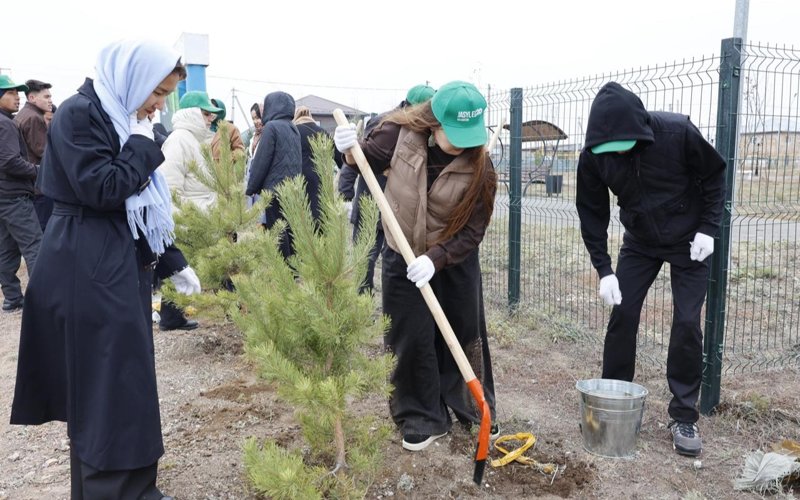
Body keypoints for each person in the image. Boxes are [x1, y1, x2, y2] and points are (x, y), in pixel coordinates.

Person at [10, 39, 201, 500]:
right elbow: (104, 188)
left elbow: (141, 206)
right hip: (86, 260)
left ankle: (137, 487)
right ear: (132, 77)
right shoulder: (81, 113)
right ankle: (112, 492)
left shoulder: (118, 115)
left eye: (166, 95)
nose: (159, 106)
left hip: (114, 257)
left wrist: (172, 259)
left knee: (126, 380)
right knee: (105, 384)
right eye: (157, 92)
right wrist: (139, 144)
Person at [333, 80, 498, 451]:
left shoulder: (482, 167)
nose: (461, 144)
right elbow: (363, 159)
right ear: (432, 122)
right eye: (452, 134)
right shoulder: (397, 133)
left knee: (463, 331)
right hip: (401, 251)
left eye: (467, 135)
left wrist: (436, 258)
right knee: (410, 334)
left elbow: (473, 231)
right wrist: (346, 149)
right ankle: (422, 415)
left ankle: (474, 408)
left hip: (453, 259)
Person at [575, 81, 726, 457]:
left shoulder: (677, 133)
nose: (614, 155)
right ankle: (612, 401)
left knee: (688, 321)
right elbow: (592, 214)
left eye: (620, 146)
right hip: (641, 241)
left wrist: (708, 228)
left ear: (638, 130)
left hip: (691, 241)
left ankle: (683, 414)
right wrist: (604, 269)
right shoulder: (594, 156)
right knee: (622, 313)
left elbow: (714, 175)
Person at [338, 83, 435, 294]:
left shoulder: (423, 129)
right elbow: (358, 156)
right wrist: (345, 192)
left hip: (398, 206)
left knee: (392, 256)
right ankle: (360, 302)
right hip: (371, 200)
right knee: (365, 256)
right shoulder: (386, 124)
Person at [156, 90, 221, 331]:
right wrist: (179, 218)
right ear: (192, 113)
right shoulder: (179, 140)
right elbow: (170, 185)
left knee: (185, 269)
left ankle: (176, 314)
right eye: (205, 114)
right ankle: (170, 318)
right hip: (185, 218)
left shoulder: (195, 140)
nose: (209, 119)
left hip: (197, 217)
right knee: (177, 269)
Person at [0, 75, 42, 312]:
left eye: (17, 93)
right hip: (14, 196)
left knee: (6, 250)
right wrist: (38, 171)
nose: (17, 97)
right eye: (11, 93)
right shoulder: (5, 123)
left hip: (3, 197)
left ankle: (12, 299)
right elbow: (9, 161)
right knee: (35, 246)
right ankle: (41, 300)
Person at [245, 91, 301, 260]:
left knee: (276, 230)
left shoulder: (272, 127)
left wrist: (251, 188)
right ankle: (292, 268)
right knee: (288, 228)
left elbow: (262, 161)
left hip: (274, 190)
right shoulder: (293, 129)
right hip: (291, 189)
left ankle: (280, 270)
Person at [15, 79, 55, 230]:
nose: (50, 100)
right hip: (40, 187)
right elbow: (45, 152)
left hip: (29, 185)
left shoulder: (23, 114)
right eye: (46, 97)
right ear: (31, 98)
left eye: (50, 96)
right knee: (44, 234)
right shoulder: (33, 118)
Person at [293, 105, 340, 225]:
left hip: (297, 182)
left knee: (300, 223)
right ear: (310, 116)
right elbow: (340, 159)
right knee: (320, 221)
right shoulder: (321, 132)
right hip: (320, 183)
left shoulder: (293, 133)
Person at [209, 97, 245, 163]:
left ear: (221, 111)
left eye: (214, 111)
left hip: (225, 171)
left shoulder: (231, 129)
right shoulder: (206, 127)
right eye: (210, 111)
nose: (211, 114)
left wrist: (226, 159)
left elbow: (240, 150)